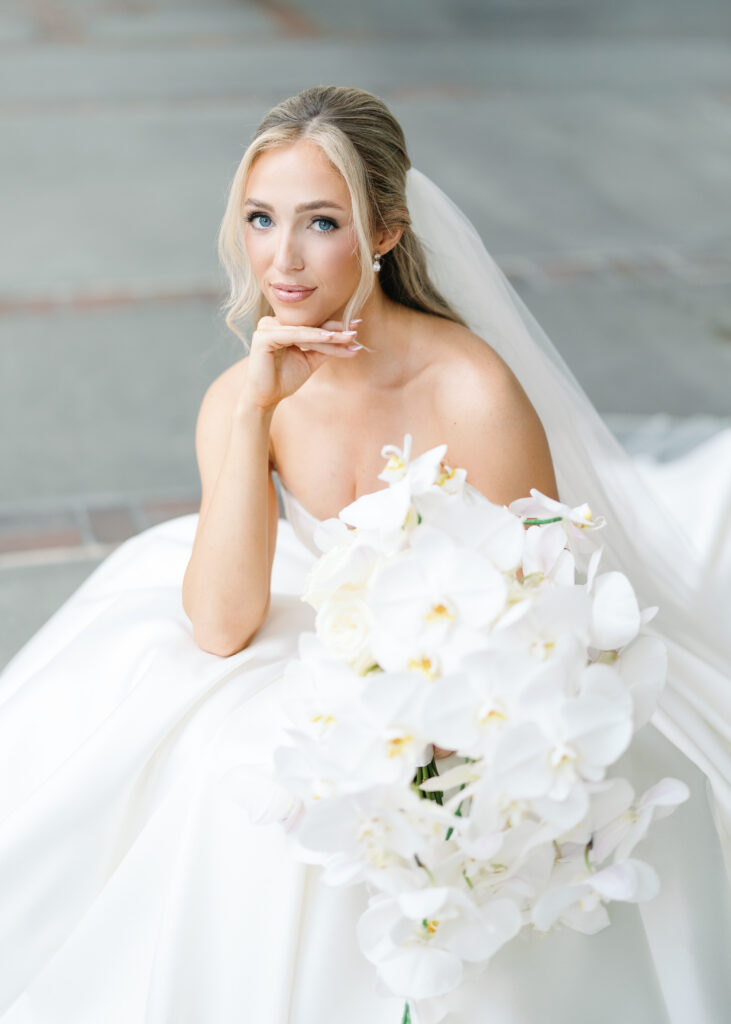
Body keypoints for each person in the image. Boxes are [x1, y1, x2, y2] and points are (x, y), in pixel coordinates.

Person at [0, 85, 729, 1024]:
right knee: (222, 773)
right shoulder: (241, 395)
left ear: (383, 233)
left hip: (464, 645)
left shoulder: (466, 387)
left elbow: (547, 604)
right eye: (262, 220)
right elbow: (221, 626)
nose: (282, 258)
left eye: (320, 223)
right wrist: (255, 411)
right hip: (310, 622)